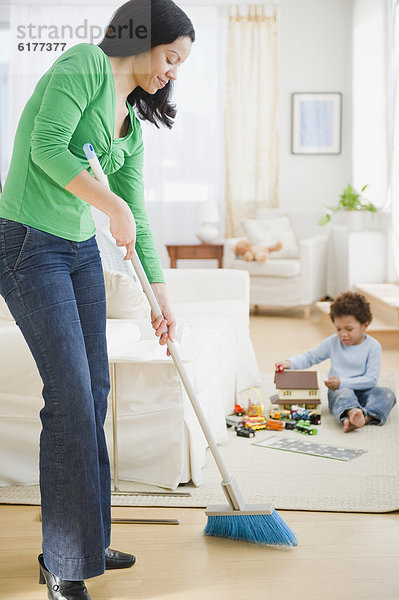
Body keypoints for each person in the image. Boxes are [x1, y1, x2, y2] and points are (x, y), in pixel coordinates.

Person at [0, 1, 194, 598]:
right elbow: (46, 148)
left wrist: (160, 296)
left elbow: (135, 211)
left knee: (96, 391)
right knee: (69, 397)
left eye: (180, 64)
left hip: (78, 249)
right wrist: (108, 207)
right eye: (170, 57)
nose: (172, 72)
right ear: (143, 39)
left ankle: (87, 538)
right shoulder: (82, 65)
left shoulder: (130, 124)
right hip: (29, 242)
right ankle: (63, 560)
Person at [275, 291, 396, 434]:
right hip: (341, 392)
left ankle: (365, 417)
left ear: (365, 325)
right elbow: (310, 357)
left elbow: (371, 380)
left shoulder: (373, 346)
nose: (343, 334)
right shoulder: (333, 342)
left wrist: (342, 381)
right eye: (338, 329)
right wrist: (290, 362)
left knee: (388, 394)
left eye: (349, 329)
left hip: (366, 392)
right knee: (342, 393)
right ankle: (352, 413)